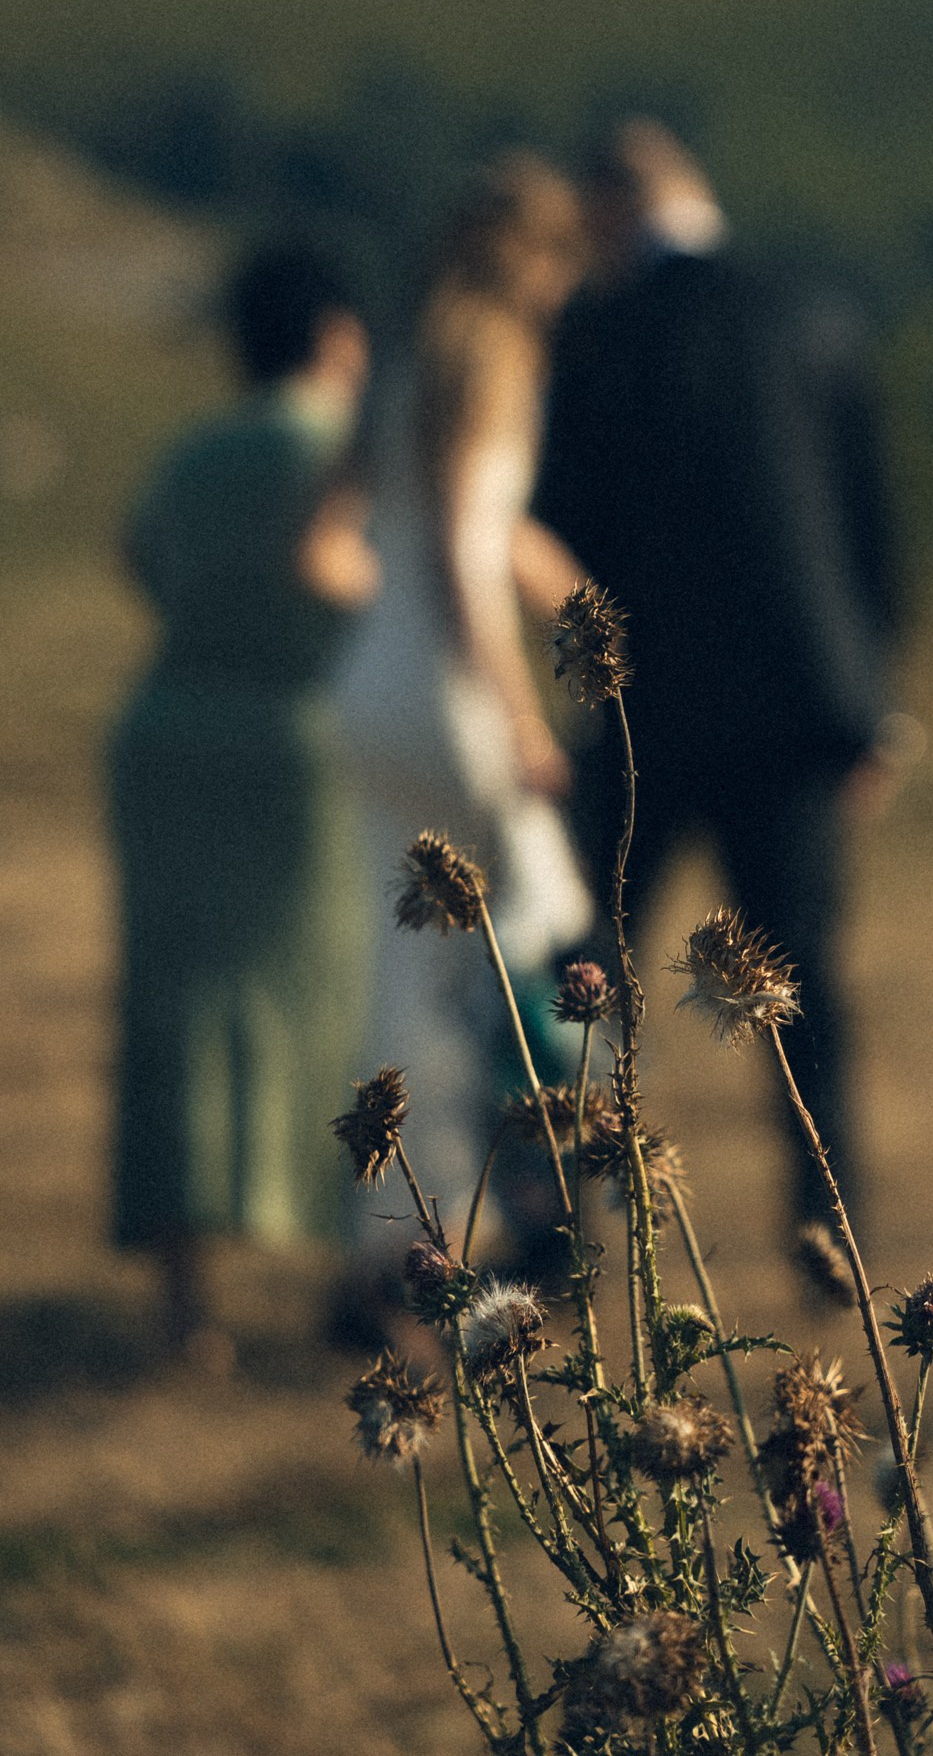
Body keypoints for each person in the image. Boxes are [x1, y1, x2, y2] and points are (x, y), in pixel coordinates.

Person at [532, 120, 902, 1246]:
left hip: (641, 711)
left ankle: (574, 1219)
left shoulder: (595, 334)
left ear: (607, 211)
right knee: (799, 979)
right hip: (798, 711)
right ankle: (831, 1216)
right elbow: (870, 528)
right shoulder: (817, 313)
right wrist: (873, 703)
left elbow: (565, 525)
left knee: (590, 968)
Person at [111, 241, 379, 1363]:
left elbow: (145, 559)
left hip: (170, 733)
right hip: (294, 743)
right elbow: (375, 587)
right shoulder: (340, 449)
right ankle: (354, 1270)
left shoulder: (195, 451)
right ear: (331, 334)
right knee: (331, 1001)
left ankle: (189, 1305)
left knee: (176, 1010)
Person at [333, 155, 593, 1272]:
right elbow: (463, 546)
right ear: (541, 254)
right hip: (448, 693)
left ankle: (396, 1238)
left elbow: (346, 528)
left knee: (405, 971)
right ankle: (550, 1198)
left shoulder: (404, 354)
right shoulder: (494, 353)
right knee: (530, 925)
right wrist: (523, 716)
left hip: (368, 684)